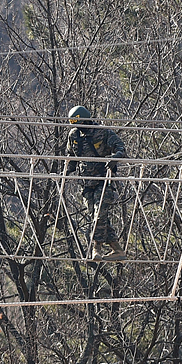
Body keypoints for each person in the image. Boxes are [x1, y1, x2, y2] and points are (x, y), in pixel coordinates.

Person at [65, 105, 128, 262]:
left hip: (103, 181)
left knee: (99, 214)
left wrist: (114, 158)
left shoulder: (103, 132)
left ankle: (96, 248)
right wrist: (66, 171)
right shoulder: (74, 135)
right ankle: (117, 249)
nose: (79, 128)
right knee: (97, 216)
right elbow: (71, 156)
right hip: (86, 184)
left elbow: (121, 147)